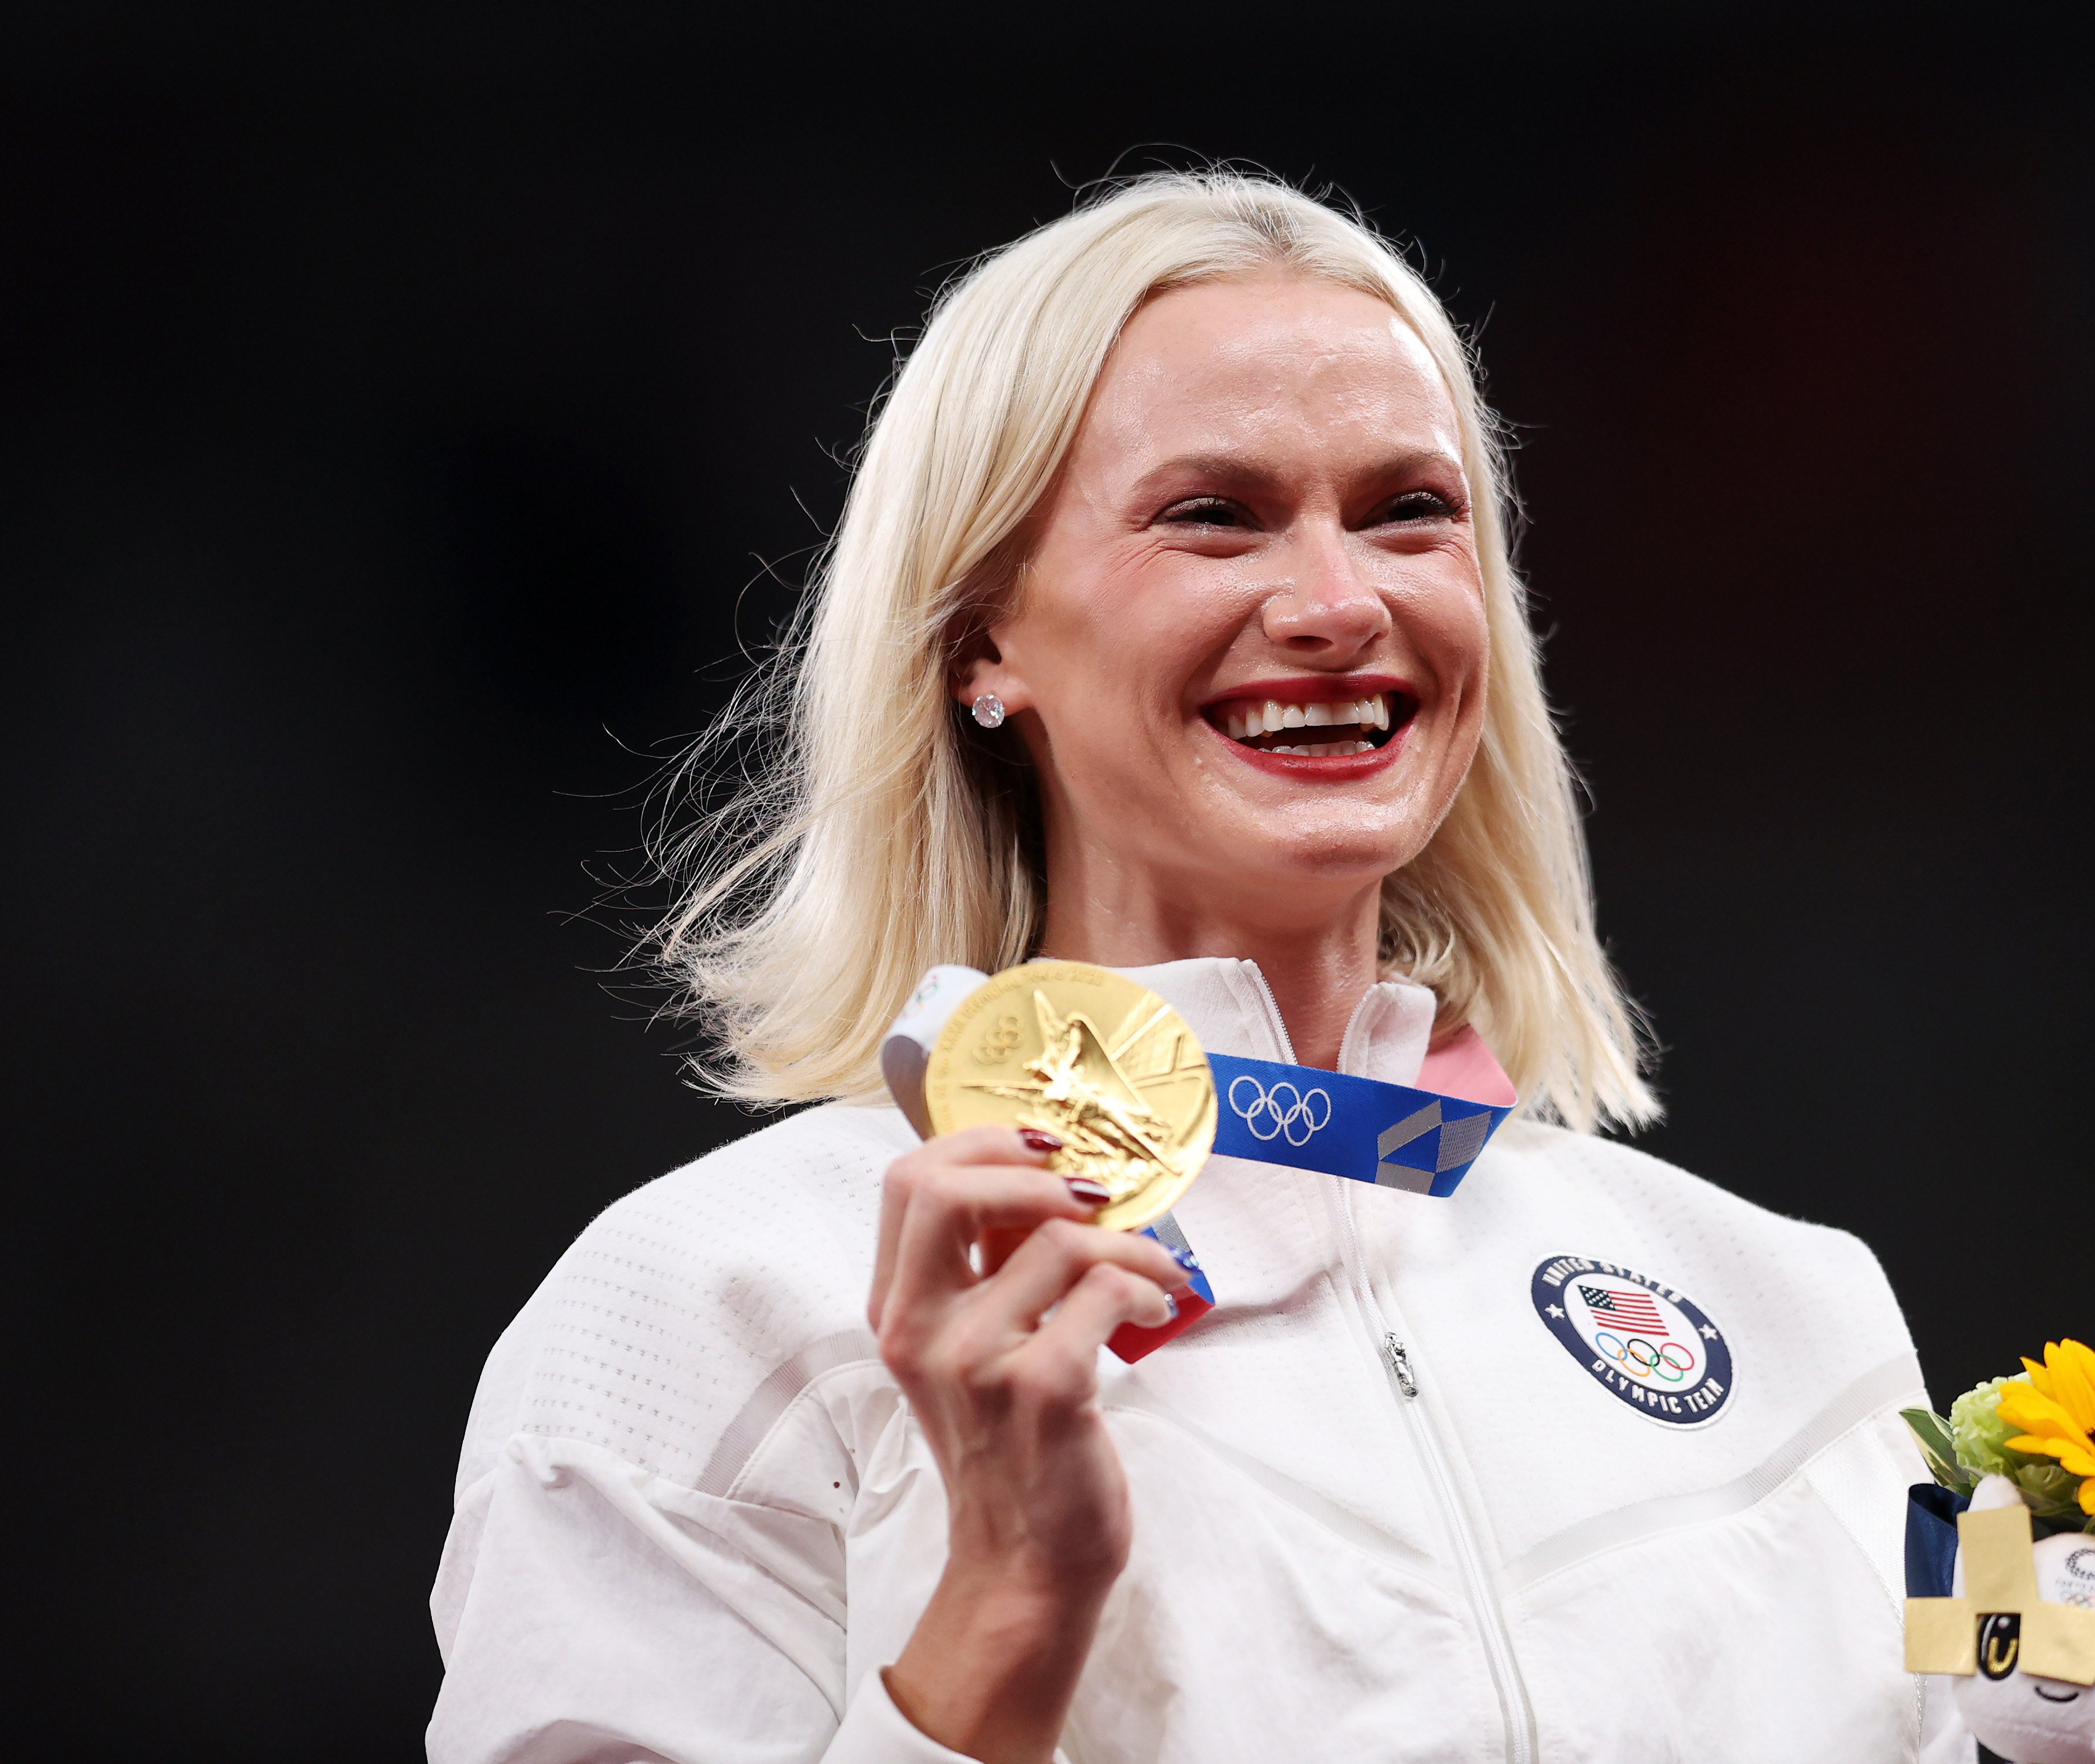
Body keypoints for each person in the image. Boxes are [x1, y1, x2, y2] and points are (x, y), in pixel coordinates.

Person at [430, 172, 1940, 1763]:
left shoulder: (1786, 1310)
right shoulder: (718, 1307)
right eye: (1212, 515)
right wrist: (998, 1623)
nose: (1337, 604)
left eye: (1406, 512)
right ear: (978, 639)